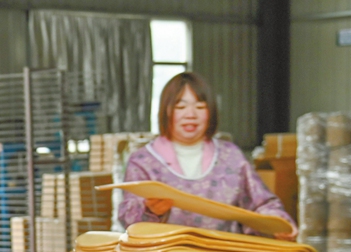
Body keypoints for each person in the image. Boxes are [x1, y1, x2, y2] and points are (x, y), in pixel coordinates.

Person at [118, 72, 296, 239]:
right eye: (180, 106)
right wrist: (150, 210)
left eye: (200, 106)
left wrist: (278, 221)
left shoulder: (230, 156)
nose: (191, 115)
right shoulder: (143, 161)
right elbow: (128, 219)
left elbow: (261, 202)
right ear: (166, 111)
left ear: (210, 112)